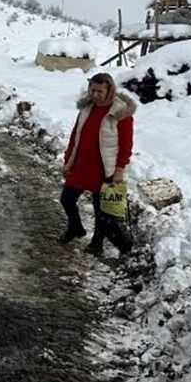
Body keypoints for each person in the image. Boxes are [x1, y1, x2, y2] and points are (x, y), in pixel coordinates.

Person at [60, 72, 137, 255]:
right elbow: (75, 136)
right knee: (67, 199)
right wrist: (68, 160)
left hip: (103, 167)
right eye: (92, 90)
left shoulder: (120, 112)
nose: (95, 95)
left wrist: (119, 169)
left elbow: (126, 145)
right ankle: (75, 227)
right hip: (81, 164)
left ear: (110, 90)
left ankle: (97, 243)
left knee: (100, 209)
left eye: (99, 91)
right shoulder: (86, 108)